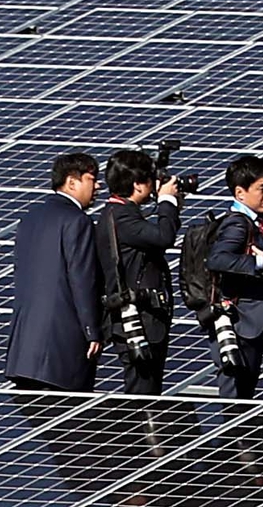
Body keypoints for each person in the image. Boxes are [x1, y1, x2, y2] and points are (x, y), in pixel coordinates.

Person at [189, 154, 263, 399]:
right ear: (240, 193)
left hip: (249, 323)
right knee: (236, 396)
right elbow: (217, 259)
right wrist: (258, 262)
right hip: (239, 322)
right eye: (262, 189)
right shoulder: (238, 224)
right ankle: (232, 436)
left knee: (244, 393)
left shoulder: (256, 220)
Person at [7, 151, 108, 392]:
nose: (98, 186)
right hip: (60, 349)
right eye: (92, 179)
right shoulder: (77, 221)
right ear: (72, 181)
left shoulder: (29, 219)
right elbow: (82, 279)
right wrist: (92, 331)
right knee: (66, 422)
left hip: (24, 350)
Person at [95, 149, 189, 397]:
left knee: (147, 389)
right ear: (137, 185)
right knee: (143, 395)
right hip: (138, 323)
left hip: (141, 319)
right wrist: (166, 202)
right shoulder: (123, 217)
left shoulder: (119, 214)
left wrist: (171, 206)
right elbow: (163, 237)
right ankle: (137, 436)